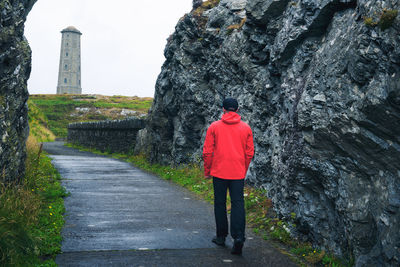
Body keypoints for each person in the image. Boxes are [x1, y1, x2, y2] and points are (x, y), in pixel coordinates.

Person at [202, 98, 254, 255]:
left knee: (220, 203)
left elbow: (207, 152)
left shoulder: (214, 127)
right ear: (237, 110)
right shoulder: (246, 128)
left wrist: (207, 170)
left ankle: (221, 237)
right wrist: (242, 169)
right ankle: (238, 237)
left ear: (223, 109)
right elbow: (249, 152)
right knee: (238, 203)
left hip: (219, 171)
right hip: (237, 172)